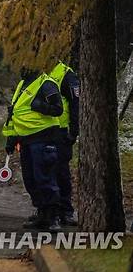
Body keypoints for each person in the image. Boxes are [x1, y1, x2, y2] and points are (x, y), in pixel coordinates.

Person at [3, 68, 63, 232]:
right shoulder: (22, 84)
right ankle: (42, 213)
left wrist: (40, 106)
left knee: (44, 178)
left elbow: (58, 109)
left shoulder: (46, 83)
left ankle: (53, 216)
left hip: (43, 138)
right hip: (26, 140)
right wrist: (11, 140)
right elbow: (15, 114)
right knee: (30, 179)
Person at [49, 61, 80, 226]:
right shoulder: (40, 72)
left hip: (61, 132)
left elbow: (76, 104)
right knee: (46, 172)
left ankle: (66, 211)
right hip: (45, 131)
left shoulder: (66, 74)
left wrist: (74, 131)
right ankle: (48, 211)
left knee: (61, 172)